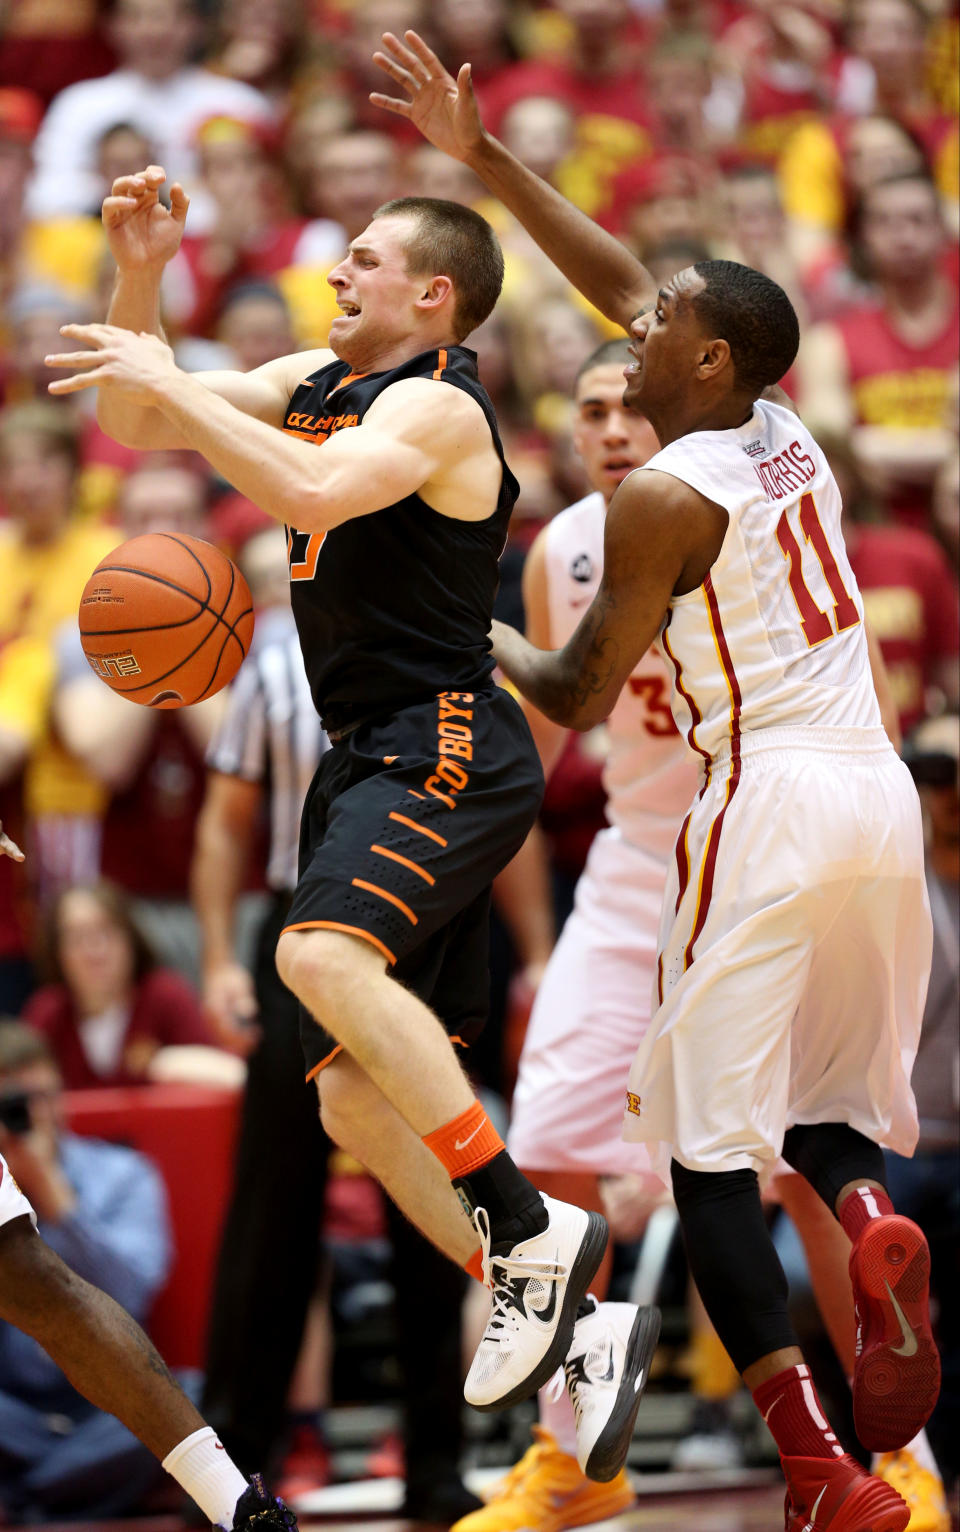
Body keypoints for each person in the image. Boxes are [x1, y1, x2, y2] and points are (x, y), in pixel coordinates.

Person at [370, 33, 940, 1529]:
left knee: (692, 1158)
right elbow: (617, 271)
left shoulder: (663, 497)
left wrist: (444, 604)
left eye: (667, 321)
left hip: (753, 809)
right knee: (822, 1125)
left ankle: (820, 1468)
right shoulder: (783, 429)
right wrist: (487, 161)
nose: (640, 322)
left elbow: (564, 688)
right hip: (877, 801)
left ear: (705, 364)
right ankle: (876, 1217)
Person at [45, 165, 661, 1483]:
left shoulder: (438, 410)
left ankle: (526, 1230)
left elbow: (310, 498)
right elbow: (138, 416)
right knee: (356, 1114)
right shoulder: (313, 387)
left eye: (366, 259)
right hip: (362, 753)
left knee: (316, 955)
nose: (336, 272)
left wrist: (205, 403)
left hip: (442, 735)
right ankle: (585, 1317)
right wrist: (141, 271)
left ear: (433, 296)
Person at [194, 528, 484, 1522]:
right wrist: (220, 956)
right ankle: (237, 1465)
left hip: (417, 929)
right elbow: (225, 823)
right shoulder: (267, 659)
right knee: (271, 1214)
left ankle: (440, 1462)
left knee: (436, 1192)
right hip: (300, 934)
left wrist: (524, 950)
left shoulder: (433, 645)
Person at [455, 338, 691, 1532]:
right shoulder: (563, 548)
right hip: (636, 858)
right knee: (541, 1146)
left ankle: (892, 1447)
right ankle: (576, 1460)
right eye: (591, 409)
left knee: (810, 1161)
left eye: (630, 407)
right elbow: (545, 741)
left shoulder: (735, 519)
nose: (611, 427)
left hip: (760, 853)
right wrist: (451, 863)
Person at [0, 830, 296, 1530]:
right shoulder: (49, 1013)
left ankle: (238, 1508)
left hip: (79, 1412)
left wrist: (57, 1193)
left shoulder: (118, 1166)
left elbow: (128, 1286)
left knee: (34, 1274)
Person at [0, 1020, 172, 1517]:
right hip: (12, 1408)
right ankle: (65, 1496)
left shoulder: (124, 1175)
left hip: (111, 1403)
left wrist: (55, 1199)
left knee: (191, 1398)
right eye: (11, 1106)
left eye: (39, 1098)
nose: (30, 1117)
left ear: (62, 1097)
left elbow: (133, 1294)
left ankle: (22, 1502)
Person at [22, 880, 216, 1090]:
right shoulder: (47, 1013)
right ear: (56, 951)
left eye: (106, 932)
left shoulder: (166, 996)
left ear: (131, 938)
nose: (94, 951)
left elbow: (226, 1072)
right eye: (76, 938)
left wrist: (168, 1063)